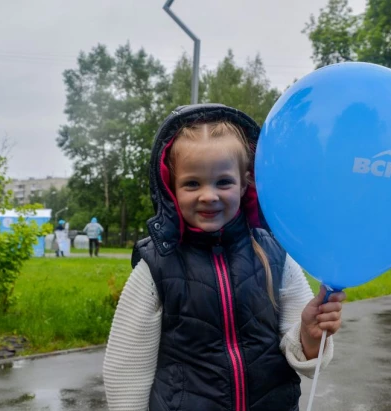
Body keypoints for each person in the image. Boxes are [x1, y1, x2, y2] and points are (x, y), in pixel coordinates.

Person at [103, 104, 346, 411]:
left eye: (223, 182)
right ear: (171, 188)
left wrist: (309, 336)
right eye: (192, 183)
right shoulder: (157, 266)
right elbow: (126, 369)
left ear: (245, 182)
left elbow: (298, 350)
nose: (208, 195)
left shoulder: (277, 256)